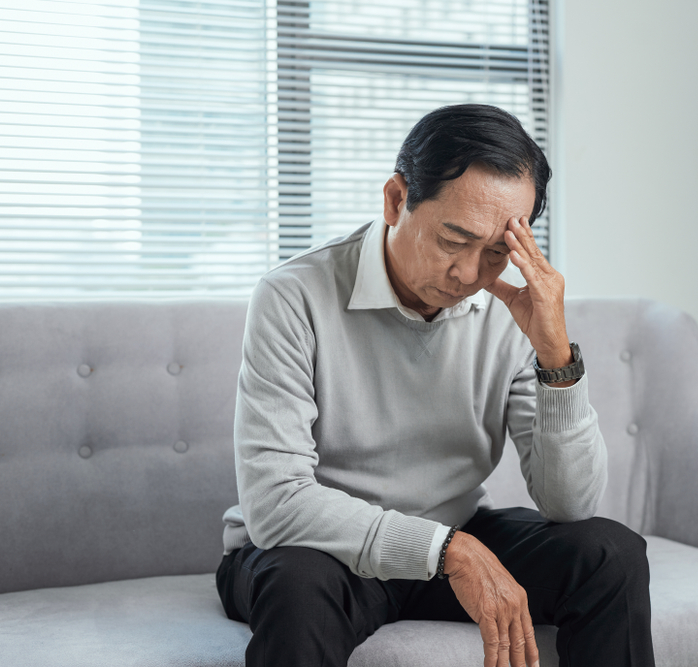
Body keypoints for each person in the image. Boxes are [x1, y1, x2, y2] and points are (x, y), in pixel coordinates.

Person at [214, 104, 655, 667]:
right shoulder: (292, 296)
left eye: (497, 252)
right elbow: (275, 504)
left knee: (610, 553)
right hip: (318, 551)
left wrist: (555, 356)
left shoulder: (510, 312)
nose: (471, 275)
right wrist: (445, 550)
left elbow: (569, 505)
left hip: (453, 536)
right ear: (397, 200)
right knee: (298, 585)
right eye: (453, 240)